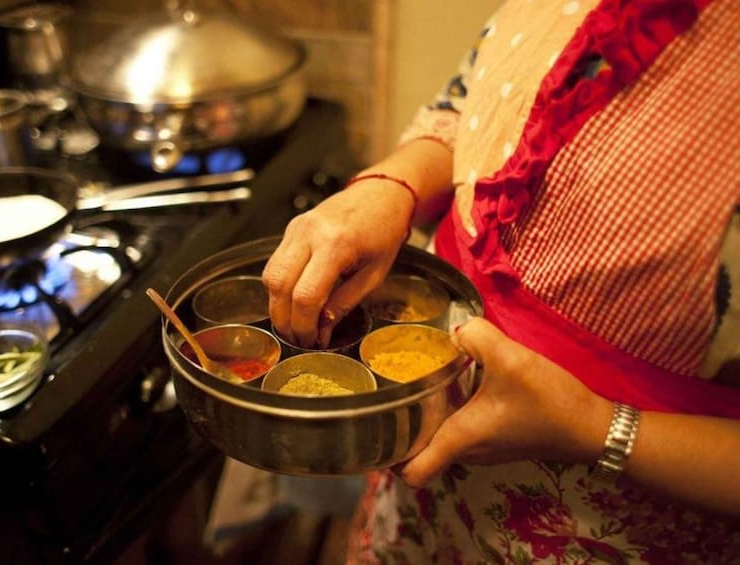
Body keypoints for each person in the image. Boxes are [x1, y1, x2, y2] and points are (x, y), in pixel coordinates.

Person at [261, 0, 740, 561]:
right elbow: (481, 102)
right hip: (424, 501)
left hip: (608, 528)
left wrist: (594, 427)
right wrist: (393, 185)